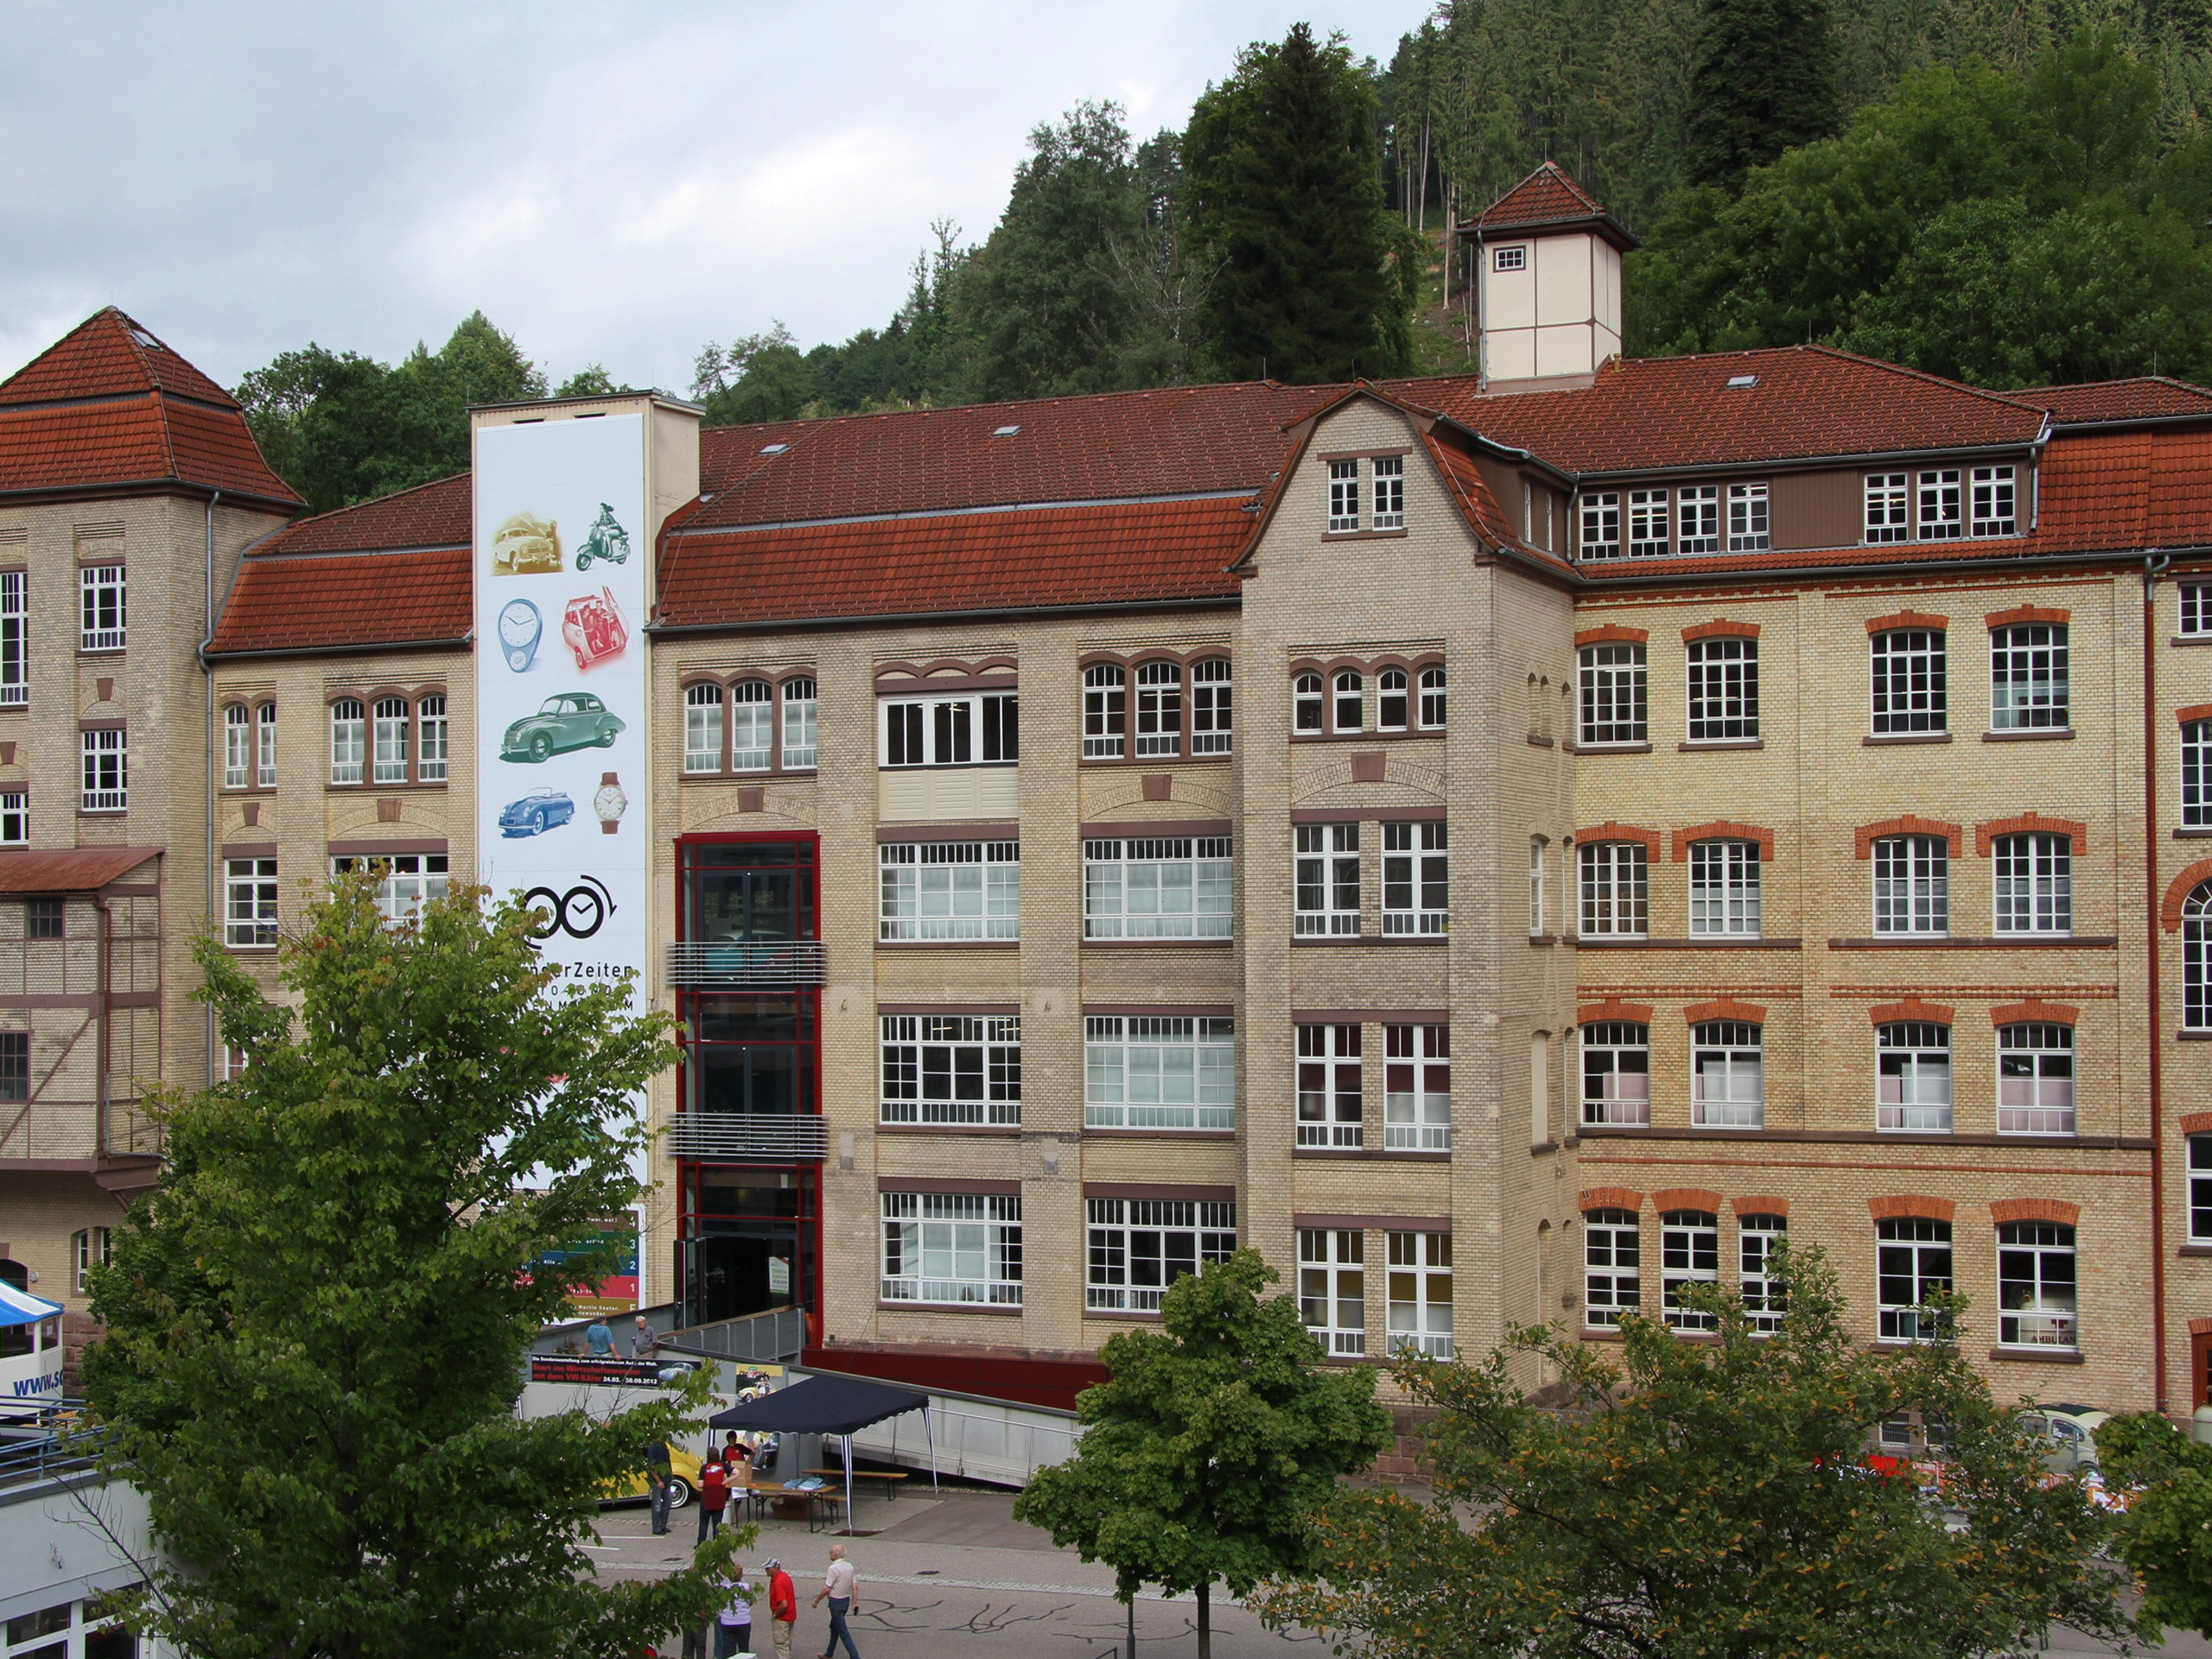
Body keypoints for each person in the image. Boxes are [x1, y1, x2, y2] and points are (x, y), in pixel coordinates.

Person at [811, 1542, 860, 1659]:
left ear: (835, 1555)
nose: (829, 1554)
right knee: (834, 1627)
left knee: (843, 1631)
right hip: (845, 1601)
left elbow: (827, 1588)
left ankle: (854, 1656)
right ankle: (829, 1653)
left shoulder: (833, 1568)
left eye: (831, 1552)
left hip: (835, 1602)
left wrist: (817, 1600)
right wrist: (854, 1603)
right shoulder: (849, 1566)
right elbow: (854, 1586)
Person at [715, 1564, 755, 1659]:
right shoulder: (746, 1587)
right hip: (743, 1621)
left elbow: (720, 1604)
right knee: (744, 1649)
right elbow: (751, 1602)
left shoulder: (724, 1588)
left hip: (727, 1621)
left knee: (729, 1650)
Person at [765, 1559, 798, 1659]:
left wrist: (776, 1615)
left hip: (782, 1618)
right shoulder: (784, 1576)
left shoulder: (778, 1581)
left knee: (781, 1645)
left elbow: (784, 1604)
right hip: (790, 1616)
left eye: (768, 1568)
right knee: (787, 1643)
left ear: (776, 1568)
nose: (766, 1571)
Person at [696, 1451, 729, 1545]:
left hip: (707, 1498)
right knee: (717, 1522)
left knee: (704, 1521)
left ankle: (701, 1543)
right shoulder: (723, 1465)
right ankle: (717, 1543)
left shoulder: (704, 1468)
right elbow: (737, 1473)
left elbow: (700, 1484)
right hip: (719, 1497)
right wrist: (725, 1482)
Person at [645, 1435, 674, 1535]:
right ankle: (656, 1527)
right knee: (657, 1505)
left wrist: (670, 1475)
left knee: (668, 1502)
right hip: (658, 1480)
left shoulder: (664, 1446)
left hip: (667, 1478)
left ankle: (663, 1525)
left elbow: (668, 1462)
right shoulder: (652, 1447)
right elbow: (650, 1466)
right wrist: (658, 1480)